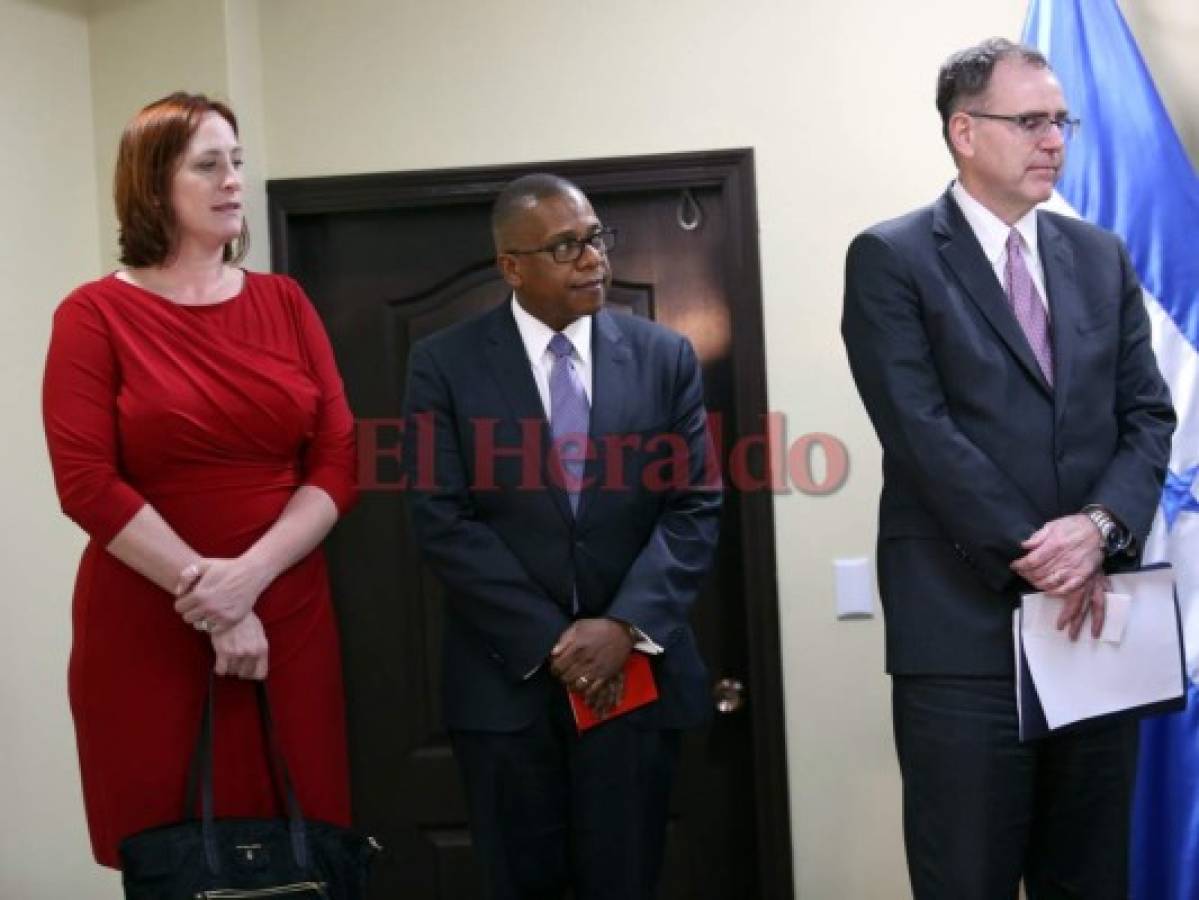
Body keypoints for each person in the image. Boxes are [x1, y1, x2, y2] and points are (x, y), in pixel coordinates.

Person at [841, 38, 1176, 899]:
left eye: (1059, 120)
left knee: (1089, 878)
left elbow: (1146, 415)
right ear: (962, 130)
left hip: (1095, 632)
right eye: (1029, 121)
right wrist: (1045, 553)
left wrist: (1097, 531)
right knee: (969, 880)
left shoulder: (1097, 254)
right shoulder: (892, 257)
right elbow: (920, 434)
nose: (1053, 140)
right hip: (964, 641)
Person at [42, 92, 357, 868]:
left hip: (288, 614)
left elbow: (338, 459)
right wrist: (215, 605)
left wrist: (248, 579)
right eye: (208, 165)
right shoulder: (92, 315)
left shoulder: (284, 303)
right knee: (174, 859)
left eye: (238, 164)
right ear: (154, 186)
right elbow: (85, 482)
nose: (232, 183)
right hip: (151, 626)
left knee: (301, 849)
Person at [402, 173, 720, 899]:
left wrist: (622, 627)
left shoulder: (663, 357)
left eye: (596, 239)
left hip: (634, 683)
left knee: (625, 879)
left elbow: (693, 506)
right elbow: (439, 515)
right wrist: (555, 641)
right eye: (566, 246)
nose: (593, 261)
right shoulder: (443, 365)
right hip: (504, 686)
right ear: (511, 265)